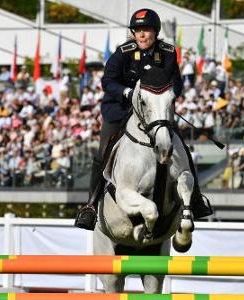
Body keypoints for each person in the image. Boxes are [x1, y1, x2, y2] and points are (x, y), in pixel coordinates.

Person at [75, 8, 213, 230]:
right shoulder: (123, 52)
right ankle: (90, 206)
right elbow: (107, 82)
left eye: (146, 30)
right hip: (120, 109)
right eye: (137, 31)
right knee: (103, 151)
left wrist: (168, 98)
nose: (141, 35)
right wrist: (127, 93)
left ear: (155, 32)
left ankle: (195, 198)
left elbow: (175, 81)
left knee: (181, 146)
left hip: (156, 111)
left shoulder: (167, 52)